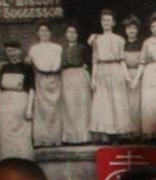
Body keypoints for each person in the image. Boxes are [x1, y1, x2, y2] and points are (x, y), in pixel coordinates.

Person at [89, 9, 129, 142]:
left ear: (113, 23)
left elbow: (122, 59)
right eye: (104, 20)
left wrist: (126, 76)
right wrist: (93, 79)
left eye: (108, 20)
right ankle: (106, 134)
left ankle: (116, 134)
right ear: (101, 23)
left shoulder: (120, 39)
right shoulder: (96, 40)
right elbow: (94, 60)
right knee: (103, 103)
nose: (106, 22)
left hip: (115, 69)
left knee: (116, 101)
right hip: (101, 70)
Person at [27, 23, 63, 148]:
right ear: (38, 33)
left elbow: (59, 63)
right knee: (41, 109)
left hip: (54, 79)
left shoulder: (57, 48)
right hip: (40, 79)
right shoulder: (34, 48)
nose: (44, 33)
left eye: (47, 30)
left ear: (50, 33)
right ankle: (42, 139)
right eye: (41, 31)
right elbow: (29, 61)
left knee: (54, 109)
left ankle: (55, 138)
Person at [0, 42, 35, 160]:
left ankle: (23, 160)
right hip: (5, 104)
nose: (12, 53)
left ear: (20, 51)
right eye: (9, 51)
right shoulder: (4, 68)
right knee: (5, 133)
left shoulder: (27, 67)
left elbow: (32, 89)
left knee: (22, 133)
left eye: (14, 50)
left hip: (20, 101)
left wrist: (29, 108)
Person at [60, 22, 92, 145]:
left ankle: (83, 137)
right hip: (67, 77)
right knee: (69, 107)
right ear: (66, 34)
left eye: (74, 32)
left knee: (82, 106)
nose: (71, 35)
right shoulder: (63, 49)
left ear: (78, 35)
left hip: (80, 77)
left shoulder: (83, 48)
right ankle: (70, 137)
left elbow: (89, 63)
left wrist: (84, 67)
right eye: (69, 32)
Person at [121, 16, 144, 139]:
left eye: (134, 28)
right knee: (125, 104)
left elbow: (143, 62)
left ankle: (137, 132)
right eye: (129, 28)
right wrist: (126, 77)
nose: (131, 31)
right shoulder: (122, 44)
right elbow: (121, 61)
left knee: (137, 104)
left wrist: (135, 79)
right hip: (125, 76)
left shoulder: (142, 44)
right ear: (125, 30)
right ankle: (126, 132)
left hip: (138, 75)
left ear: (137, 30)